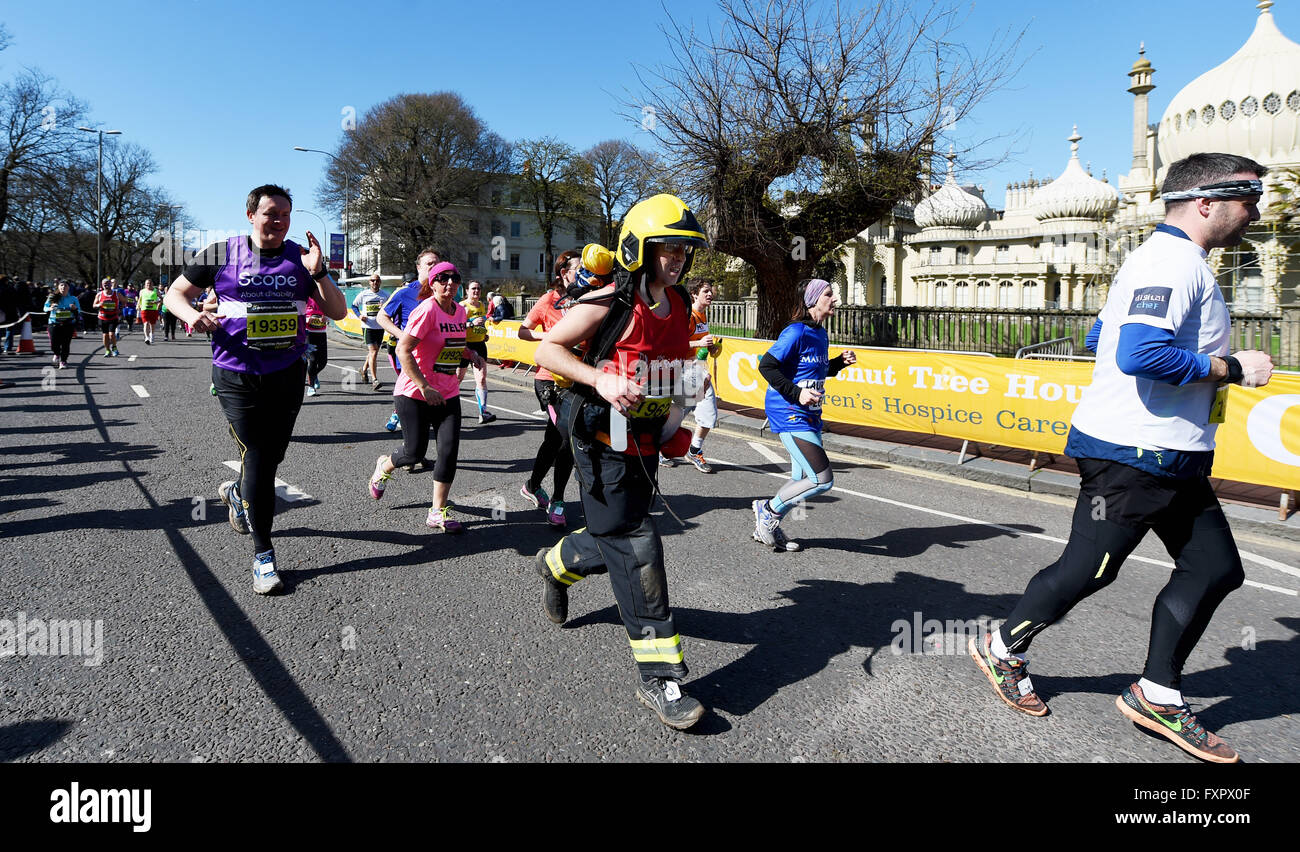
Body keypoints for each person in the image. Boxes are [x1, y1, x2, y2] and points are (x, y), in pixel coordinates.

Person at [969, 153, 1274, 764]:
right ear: (1206, 201)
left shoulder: (1167, 261)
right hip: (1132, 455)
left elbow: (1100, 337)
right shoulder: (1169, 261)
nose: (1255, 212)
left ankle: (1156, 693)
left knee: (1217, 569)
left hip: (1173, 455)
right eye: (1249, 200)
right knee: (1091, 569)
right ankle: (1004, 648)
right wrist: (1232, 367)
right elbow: (1138, 353)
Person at [531, 193, 707, 730]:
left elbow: (675, 368)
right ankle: (661, 680)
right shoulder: (608, 302)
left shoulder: (678, 306)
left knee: (611, 534)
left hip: (644, 441)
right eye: (666, 248)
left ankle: (556, 564)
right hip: (598, 441)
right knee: (636, 545)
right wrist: (600, 378)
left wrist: (682, 409)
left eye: (683, 250)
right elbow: (547, 351)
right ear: (638, 248)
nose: (676, 259)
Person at [164, 184, 346, 594]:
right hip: (236, 374)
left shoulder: (302, 257)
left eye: (285, 214)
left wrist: (318, 272)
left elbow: (337, 311)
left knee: (271, 457)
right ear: (251, 215)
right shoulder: (220, 253)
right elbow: (175, 294)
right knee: (261, 460)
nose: (278, 221)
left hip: (285, 372)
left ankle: (236, 492)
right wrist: (193, 315)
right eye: (270, 213)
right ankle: (263, 556)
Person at [367, 261, 483, 532]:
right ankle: (384, 465)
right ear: (432, 283)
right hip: (414, 392)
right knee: (413, 453)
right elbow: (403, 351)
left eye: (454, 278)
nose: (449, 283)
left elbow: (454, 342)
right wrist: (424, 386)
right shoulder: (426, 310)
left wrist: (471, 354)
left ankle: (437, 511)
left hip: (447, 391)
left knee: (449, 450)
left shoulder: (459, 312)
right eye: (442, 279)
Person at [751, 279, 857, 553]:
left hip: (810, 415)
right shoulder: (795, 332)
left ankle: (766, 523)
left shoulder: (820, 334)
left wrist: (837, 364)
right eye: (829, 294)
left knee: (800, 478)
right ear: (812, 300)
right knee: (822, 479)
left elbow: (815, 371)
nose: (834, 299)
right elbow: (768, 365)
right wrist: (796, 393)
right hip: (789, 412)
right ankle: (769, 511)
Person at [516, 250, 582, 526]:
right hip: (549, 380)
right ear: (564, 272)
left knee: (553, 440)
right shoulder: (549, 300)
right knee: (566, 437)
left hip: (576, 378)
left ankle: (532, 486)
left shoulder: (586, 299)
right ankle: (557, 501)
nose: (583, 272)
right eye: (579, 268)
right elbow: (523, 330)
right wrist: (550, 337)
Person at [661, 278, 723, 472]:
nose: (710, 294)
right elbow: (674, 346)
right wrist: (699, 344)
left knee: (709, 414)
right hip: (686, 372)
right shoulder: (689, 317)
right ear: (695, 294)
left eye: (710, 290)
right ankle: (661, 449)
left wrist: (712, 348)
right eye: (705, 291)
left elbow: (703, 346)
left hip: (699, 371)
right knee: (676, 415)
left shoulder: (703, 316)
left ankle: (694, 450)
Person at [376, 249, 439, 438]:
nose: (434, 267)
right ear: (419, 267)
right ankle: (410, 450)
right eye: (430, 264)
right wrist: (402, 336)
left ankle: (413, 445)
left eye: (437, 263)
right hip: (411, 356)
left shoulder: (443, 292)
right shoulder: (405, 292)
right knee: (416, 400)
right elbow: (382, 316)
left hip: (435, 358)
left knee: (427, 402)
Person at [458, 279, 496, 424]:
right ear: (467, 291)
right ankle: (446, 408)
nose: (476, 291)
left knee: (481, 379)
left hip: (479, 345)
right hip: (464, 346)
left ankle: (483, 412)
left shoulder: (481, 305)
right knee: (457, 379)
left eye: (479, 288)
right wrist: (471, 323)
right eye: (473, 288)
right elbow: (456, 326)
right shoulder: (462, 306)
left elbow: (480, 323)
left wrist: (483, 333)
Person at [351, 273, 390, 392]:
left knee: (374, 352)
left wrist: (384, 307)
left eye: (377, 281)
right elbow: (354, 306)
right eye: (372, 280)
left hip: (380, 326)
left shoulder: (385, 295)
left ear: (380, 282)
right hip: (368, 327)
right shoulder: (363, 294)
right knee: (373, 351)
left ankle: (363, 370)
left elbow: (390, 308)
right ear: (369, 282)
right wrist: (359, 315)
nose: (375, 283)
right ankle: (375, 379)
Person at [44, 281, 81, 369]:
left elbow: (79, 310)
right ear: (58, 287)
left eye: (65, 286)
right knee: (54, 344)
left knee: (65, 344)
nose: (63, 287)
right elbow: (45, 308)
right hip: (54, 323)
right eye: (61, 285)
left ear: (68, 288)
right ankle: (56, 353)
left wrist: (74, 308)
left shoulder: (73, 299)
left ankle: (63, 361)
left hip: (68, 323)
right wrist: (50, 308)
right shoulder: (52, 297)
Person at [304, 295, 329, 396]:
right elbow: (299, 313)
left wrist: (326, 318)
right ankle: (310, 387)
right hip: (309, 333)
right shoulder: (305, 298)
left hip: (322, 333)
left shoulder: (324, 299)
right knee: (313, 360)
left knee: (323, 362)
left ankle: (313, 375)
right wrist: (307, 320)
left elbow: (330, 314)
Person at [93, 279, 122, 357]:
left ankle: (114, 348)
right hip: (102, 317)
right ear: (102, 285)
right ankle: (107, 350)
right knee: (105, 335)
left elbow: (124, 300)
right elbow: (94, 305)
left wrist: (121, 307)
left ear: (111, 284)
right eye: (104, 284)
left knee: (111, 334)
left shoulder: (116, 294)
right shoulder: (99, 294)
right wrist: (99, 304)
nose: (106, 285)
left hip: (113, 317)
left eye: (108, 284)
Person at [138, 280, 162, 344]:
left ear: (152, 284)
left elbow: (161, 299)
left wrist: (156, 302)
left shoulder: (155, 291)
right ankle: (146, 337)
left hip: (153, 310)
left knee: (152, 324)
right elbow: (140, 299)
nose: (148, 284)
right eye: (147, 283)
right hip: (144, 309)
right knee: (146, 323)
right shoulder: (142, 291)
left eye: (150, 283)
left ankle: (152, 335)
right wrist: (138, 306)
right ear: (145, 284)